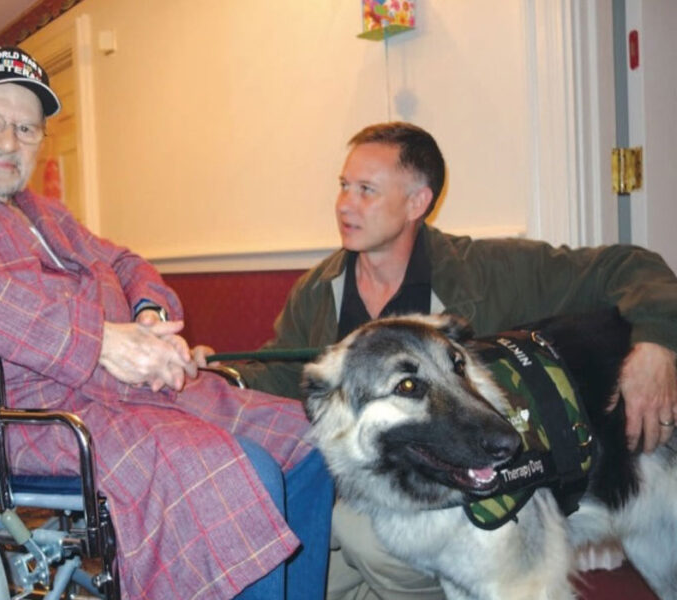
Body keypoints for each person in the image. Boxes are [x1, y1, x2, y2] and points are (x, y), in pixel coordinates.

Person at [0, 45, 333, 600]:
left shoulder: (44, 213)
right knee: (240, 473)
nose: (8, 142)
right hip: (13, 411)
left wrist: (148, 314)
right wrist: (100, 341)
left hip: (126, 392)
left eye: (27, 129)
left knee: (313, 441)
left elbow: (126, 262)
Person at [230, 121, 677, 600]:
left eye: (366, 190)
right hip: (373, 488)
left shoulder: (487, 270)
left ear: (417, 203)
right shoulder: (320, 291)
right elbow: (280, 375)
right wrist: (213, 375)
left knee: (364, 540)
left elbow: (628, 266)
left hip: (474, 499)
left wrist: (655, 345)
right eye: (343, 186)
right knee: (303, 557)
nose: (344, 204)